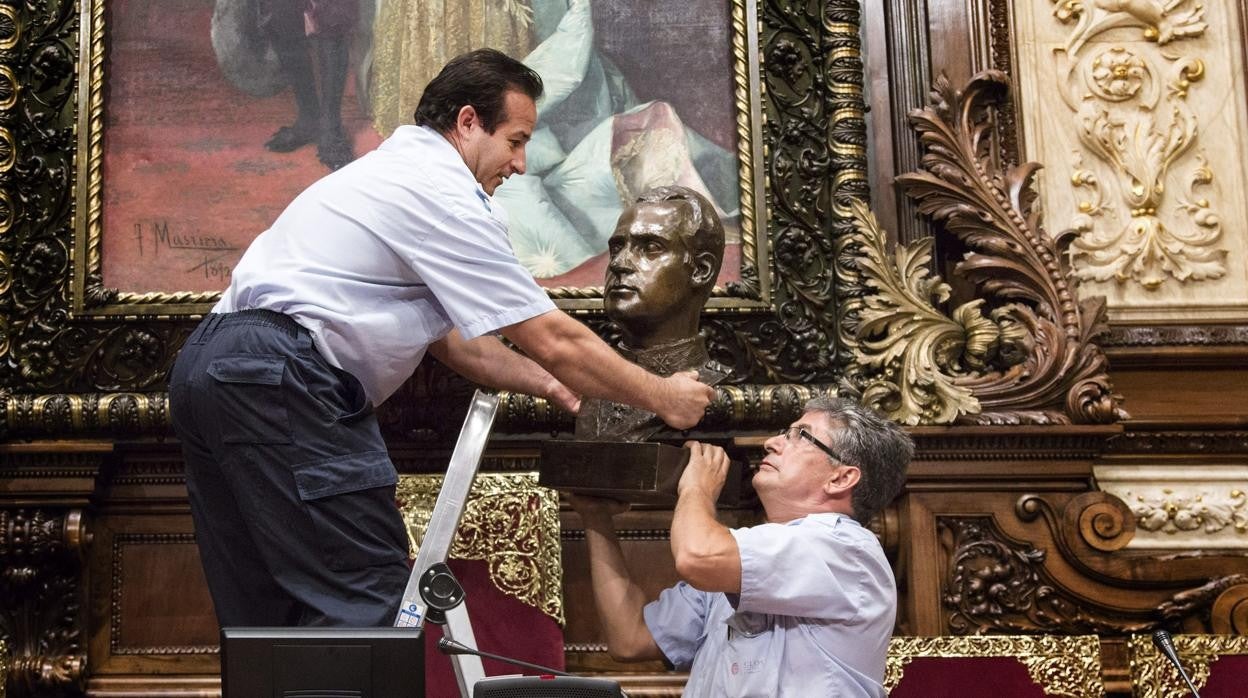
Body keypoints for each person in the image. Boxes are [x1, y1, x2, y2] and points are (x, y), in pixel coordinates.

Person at [167, 48, 715, 629]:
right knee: (364, 600)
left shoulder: (391, 172)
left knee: (262, 611)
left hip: (209, 369)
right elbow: (554, 336)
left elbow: (458, 343)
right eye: (516, 140)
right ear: (468, 122)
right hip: (282, 378)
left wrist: (553, 386)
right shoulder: (446, 195)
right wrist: (664, 396)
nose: (521, 164)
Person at [569, 397, 913, 697]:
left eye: (800, 436)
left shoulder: (845, 548)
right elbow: (631, 638)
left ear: (840, 478)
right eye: (784, 431)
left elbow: (695, 556)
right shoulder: (744, 554)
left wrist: (698, 488)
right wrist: (596, 519)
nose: (772, 442)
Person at [576, 185, 727, 441]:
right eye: (617, 248)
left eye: (650, 248)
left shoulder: (720, 393)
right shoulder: (584, 385)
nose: (618, 263)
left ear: (700, 270)